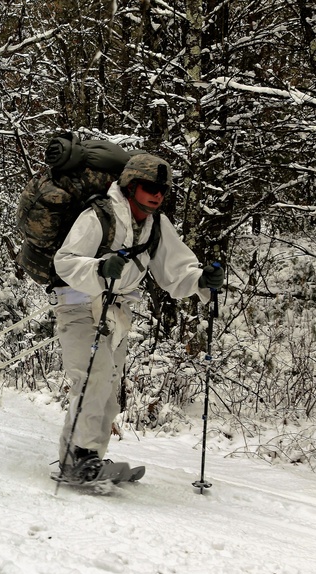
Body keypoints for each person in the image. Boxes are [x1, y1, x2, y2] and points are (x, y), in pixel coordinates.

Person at [52, 153, 225, 482]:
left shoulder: (155, 224)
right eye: (150, 187)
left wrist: (201, 280)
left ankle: (84, 458)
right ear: (131, 186)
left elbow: (176, 270)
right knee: (94, 377)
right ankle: (80, 456)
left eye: (163, 189)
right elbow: (66, 262)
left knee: (109, 386)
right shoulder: (98, 215)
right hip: (77, 304)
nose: (158, 194)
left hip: (116, 311)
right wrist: (98, 268)